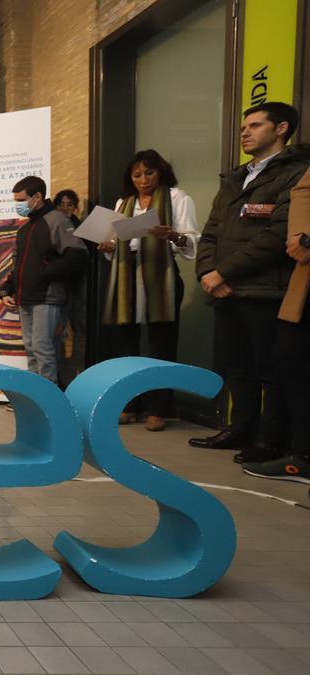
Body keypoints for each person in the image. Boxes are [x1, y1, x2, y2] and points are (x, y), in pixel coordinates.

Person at [191, 102, 310, 463]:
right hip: (224, 289)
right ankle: (240, 429)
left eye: (255, 125)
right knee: (235, 367)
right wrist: (207, 273)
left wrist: (223, 273)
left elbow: (277, 235)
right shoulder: (234, 178)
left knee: (269, 370)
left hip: (265, 289)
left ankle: (269, 439)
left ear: (281, 129)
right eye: (244, 126)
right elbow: (211, 232)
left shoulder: (295, 173)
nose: (245, 131)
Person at [98, 151, 199, 431]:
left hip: (160, 274)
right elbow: (115, 240)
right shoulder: (123, 202)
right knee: (126, 345)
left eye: (149, 173)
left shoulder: (177, 198)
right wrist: (107, 246)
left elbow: (190, 242)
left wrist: (172, 236)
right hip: (126, 274)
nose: (143, 180)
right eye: (137, 174)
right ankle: (131, 404)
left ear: (161, 172)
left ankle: (159, 409)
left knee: (160, 344)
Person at [243, 167, 310, 483]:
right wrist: (302, 235)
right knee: (288, 358)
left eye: (254, 125)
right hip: (305, 275)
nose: (245, 132)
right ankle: (302, 455)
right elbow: (304, 191)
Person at [0, 175, 88, 385]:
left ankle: (49, 399)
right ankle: (35, 396)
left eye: (21, 200)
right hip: (26, 297)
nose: (18, 205)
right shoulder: (24, 230)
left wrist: (45, 273)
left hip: (47, 297)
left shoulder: (57, 220)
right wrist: (6, 290)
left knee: (43, 348)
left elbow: (78, 255)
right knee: (31, 350)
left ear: (37, 197)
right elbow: (17, 266)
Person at [53, 188, 89, 388]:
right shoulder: (51, 227)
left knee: (80, 332)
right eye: (61, 205)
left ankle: (77, 380)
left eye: (70, 205)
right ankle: (58, 381)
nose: (66, 209)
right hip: (58, 289)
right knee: (56, 333)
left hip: (80, 288)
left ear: (76, 208)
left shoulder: (83, 229)